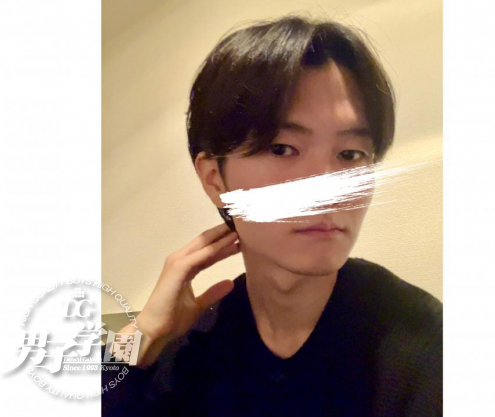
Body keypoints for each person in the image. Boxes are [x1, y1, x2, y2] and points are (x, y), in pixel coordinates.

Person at [102, 15, 442, 417]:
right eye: (282, 149)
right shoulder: (190, 344)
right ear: (215, 179)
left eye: (350, 155)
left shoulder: (426, 346)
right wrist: (140, 336)